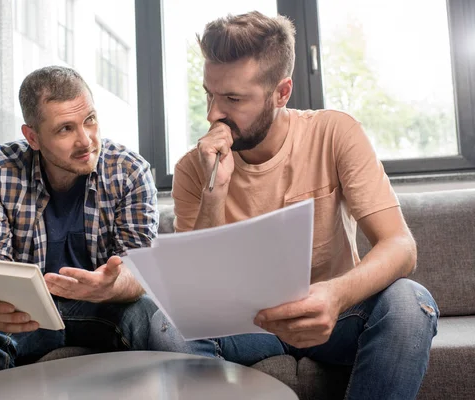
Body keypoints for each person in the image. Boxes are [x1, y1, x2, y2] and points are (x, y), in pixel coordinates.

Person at [170, 11, 439, 399]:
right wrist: (215, 192)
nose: (213, 113)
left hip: (334, 318)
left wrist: (335, 296)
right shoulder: (193, 168)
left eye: (232, 98)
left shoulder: (335, 132)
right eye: (209, 94)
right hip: (246, 328)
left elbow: (400, 246)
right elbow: (195, 294)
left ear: (281, 93)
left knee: (411, 301)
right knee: (168, 323)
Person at [0, 66, 173, 379]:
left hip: (102, 306)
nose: (86, 141)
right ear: (33, 137)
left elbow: (139, 269)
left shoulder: (130, 171)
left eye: (89, 120)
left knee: (150, 317)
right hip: (27, 309)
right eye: (65, 129)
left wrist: (111, 285)